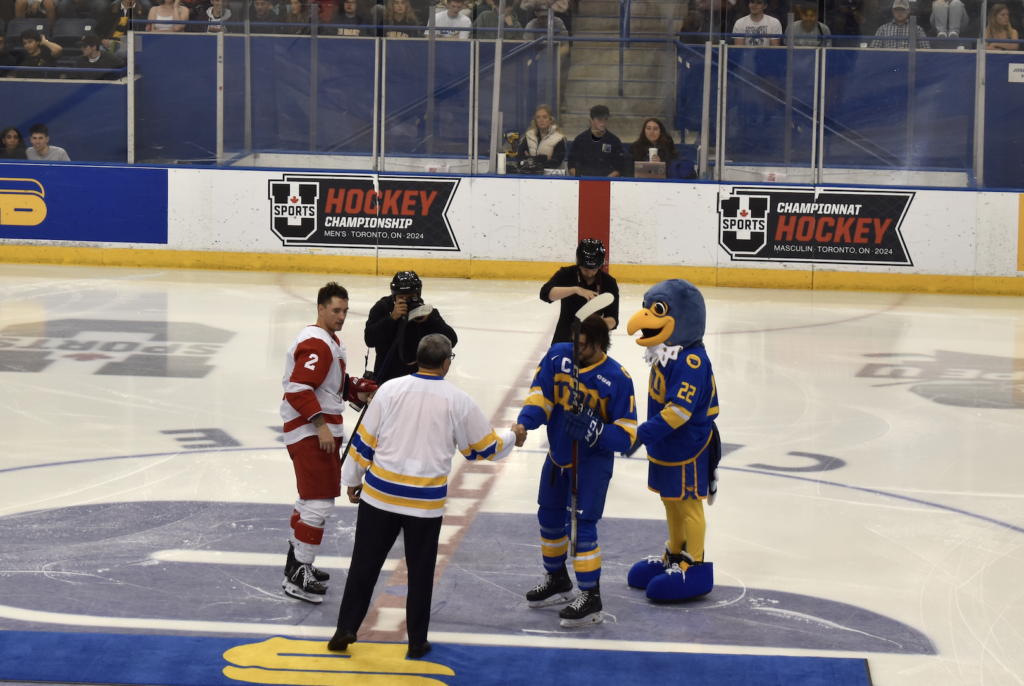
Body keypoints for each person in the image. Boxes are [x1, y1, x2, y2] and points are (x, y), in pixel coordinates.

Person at [329, 333, 525, 658]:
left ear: (416, 358)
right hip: (424, 505)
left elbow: (365, 439)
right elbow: (482, 449)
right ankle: (416, 641)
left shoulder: (389, 390)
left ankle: (345, 629)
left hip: (380, 496)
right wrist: (513, 435)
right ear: (447, 362)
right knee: (420, 573)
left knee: (364, 564)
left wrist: (352, 477)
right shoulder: (457, 400)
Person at [514, 315, 637, 627]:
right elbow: (540, 394)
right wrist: (525, 422)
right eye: (574, 342)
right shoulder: (558, 355)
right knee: (549, 518)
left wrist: (595, 429)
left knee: (582, 529)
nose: (574, 350)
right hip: (557, 455)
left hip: (591, 464)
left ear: (597, 344)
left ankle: (590, 597)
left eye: (581, 346)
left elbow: (627, 436)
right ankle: (557, 579)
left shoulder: (618, 378)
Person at [279, 282, 377, 604]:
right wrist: (319, 425)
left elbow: (330, 385)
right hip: (310, 434)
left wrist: (356, 390)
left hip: (317, 432)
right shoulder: (317, 343)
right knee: (319, 504)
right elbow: (297, 389)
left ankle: (297, 563)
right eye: (336, 310)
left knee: (309, 502)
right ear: (320, 309)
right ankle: (299, 573)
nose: (341, 316)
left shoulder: (330, 343)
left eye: (345, 311)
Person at [624, 279, 722, 603]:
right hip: (666, 447)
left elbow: (679, 412)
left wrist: (642, 434)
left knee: (688, 504)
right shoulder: (665, 354)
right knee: (669, 500)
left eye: (659, 311)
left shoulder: (692, 362)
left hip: (688, 447)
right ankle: (674, 553)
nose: (644, 318)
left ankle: (694, 563)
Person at [364, 271, 458, 385]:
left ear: (418, 295)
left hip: (418, 381)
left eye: (411, 298)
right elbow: (369, 339)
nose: (407, 303)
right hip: (387, 380)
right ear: (394, 296)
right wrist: (391, 318)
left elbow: (451, 341)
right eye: (402, 298)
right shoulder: (383, 309)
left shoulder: (425, 312)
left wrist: (430, 320)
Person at [540, 238, 619, 344]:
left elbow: (613, 320)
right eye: (586, 269)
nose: (590, 274)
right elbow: (545, 294)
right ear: (579, 264)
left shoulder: (609, 282)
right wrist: (576, 290)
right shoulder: (566, 274)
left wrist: (598, 324)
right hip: (565, 337)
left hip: (593, 342)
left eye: (594, 270)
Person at [567, 104, 625, 178]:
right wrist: (581, 179)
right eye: (600, 119)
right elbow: (571, 164)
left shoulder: (614, 141)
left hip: (607, 184)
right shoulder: (580, 140)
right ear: (591, 119)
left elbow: (620, 167)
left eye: (605, 119)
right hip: (584, 183)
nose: (603, 122)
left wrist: (604, 181)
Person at [516, 104, 565, 170]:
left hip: (551, 177)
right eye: (538, 117)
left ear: (550, 119)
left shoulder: (558, 138)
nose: (541, 120)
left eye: (544, 117)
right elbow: (520, 160)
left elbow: (556, 163)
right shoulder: (529, 136)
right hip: (530, 175)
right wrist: (545, 158)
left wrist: (531, 160)